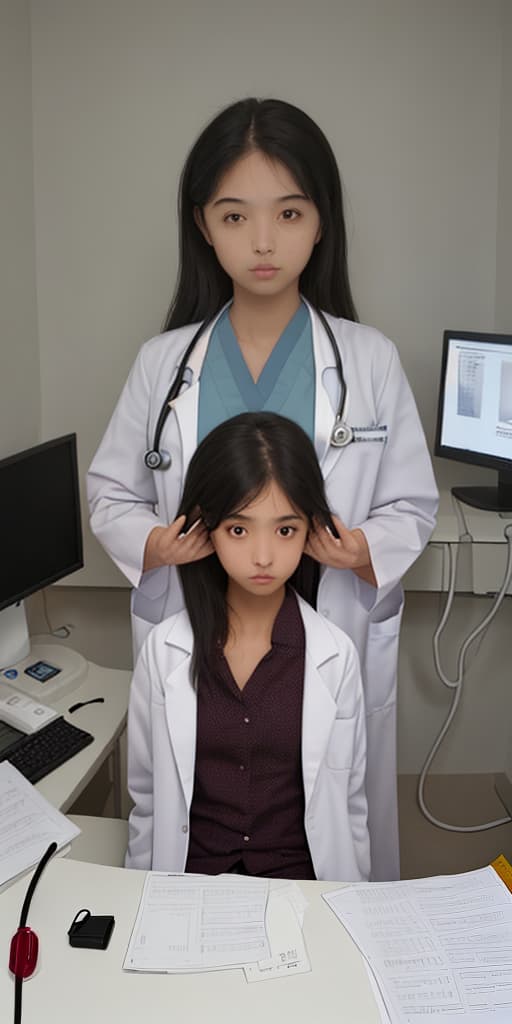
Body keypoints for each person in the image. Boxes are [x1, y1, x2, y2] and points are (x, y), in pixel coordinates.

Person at [87, 97, 438, 880]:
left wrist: (360, 550)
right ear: (204, 226)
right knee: (195, 812)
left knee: (326, 817)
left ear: (322, 223)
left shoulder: (368, 360)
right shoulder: (163, 363)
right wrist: (155, 542)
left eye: (288, 212)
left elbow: (412, 504)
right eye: (235, 216)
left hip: (323, 632)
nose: (265, 241)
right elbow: (111, 491)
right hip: (203, 628)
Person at [125, 412, 370, 881]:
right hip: (190, 885)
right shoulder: (165, 651)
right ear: (205, 529)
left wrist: (352, 908)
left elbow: (351, 807)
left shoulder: (334, 656)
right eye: (239, 529)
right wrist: (143, 899)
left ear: (312, 532)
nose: (263, 556)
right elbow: (147, 799)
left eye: (285, 530)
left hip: (302, 888)